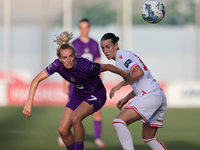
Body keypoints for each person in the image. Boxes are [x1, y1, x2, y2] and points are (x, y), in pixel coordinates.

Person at [22, 31, 129, 150]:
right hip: (78, 94)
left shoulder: (85, 65)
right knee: (62, 130)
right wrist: (29, 102)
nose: (68, 60)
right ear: (59, 59)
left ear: (74, 55)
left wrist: (126, 75)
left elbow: (108, 67)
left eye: (71, 56)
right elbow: (36, 79)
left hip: (96, 93)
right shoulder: (57, 65)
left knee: (75, 118)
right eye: (64, 57)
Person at [100, 33, 167, 150]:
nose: (105, 51)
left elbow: (138, 72)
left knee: (118, 122)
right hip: (157, 94)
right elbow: (139, 82)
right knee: (149, 137)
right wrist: (126, 98)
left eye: (108, 46)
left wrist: (119, 85)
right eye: (103, 48)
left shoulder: (121, 56)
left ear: (116, 45)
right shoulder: (124, 56)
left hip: (151, 95)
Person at [57, 18, 106, 147]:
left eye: (86, 27)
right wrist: (64, 83)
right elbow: (66, 65)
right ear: (79, 29)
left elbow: (98, 63)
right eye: (81, 27)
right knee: (70, 111)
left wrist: (101, 78)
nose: (84, 30)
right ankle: (63, 134)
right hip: (75, 84)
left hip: (91, 83)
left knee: (96, 111)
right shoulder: (75, 44)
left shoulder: (94, 44)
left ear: (89, 28)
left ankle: (97, 138)